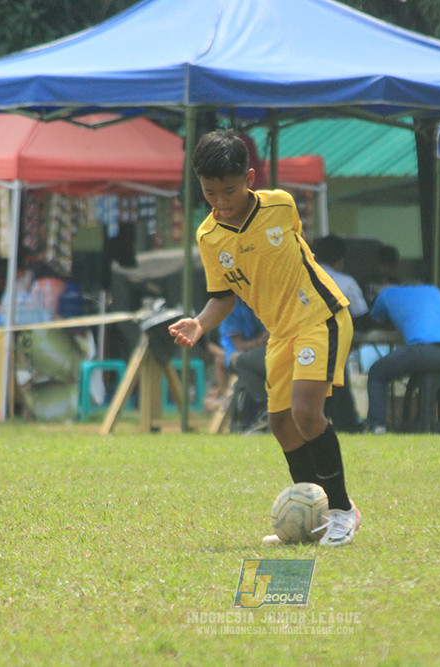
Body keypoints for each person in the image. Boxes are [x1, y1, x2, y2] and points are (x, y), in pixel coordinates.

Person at [169, 129, 360, 547]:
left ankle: (343, 511)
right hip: (281, 333)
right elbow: (222, 297)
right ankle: (313, 516)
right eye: (210, 192)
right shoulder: (209, 237)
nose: (221, 201)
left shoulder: (280, 205)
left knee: (307, 413)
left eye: (229, 190)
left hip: (320, 315)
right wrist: (200, 323)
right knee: (281, 423)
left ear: (249, 178)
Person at [364, 284, 440, 434]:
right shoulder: (433, 290)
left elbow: (375, 321)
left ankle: (377, 425)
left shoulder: (385, 295)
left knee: (377, 373)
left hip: (424, 350)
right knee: (432, 378)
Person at [312, 234, 372, 433]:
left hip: (304, 338)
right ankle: (347, 423)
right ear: (341, 259)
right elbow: (362, 317)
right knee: (338, 380)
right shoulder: (346, 282)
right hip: (333, 339)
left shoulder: (305, 275)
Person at [219, 297, 270, 433]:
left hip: (264, 352)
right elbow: (238, 344)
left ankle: (266, 413)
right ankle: (266, 408)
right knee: (243, 363)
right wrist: (260, 341)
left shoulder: (266, 301)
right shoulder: (233, 305)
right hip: (237, 354)